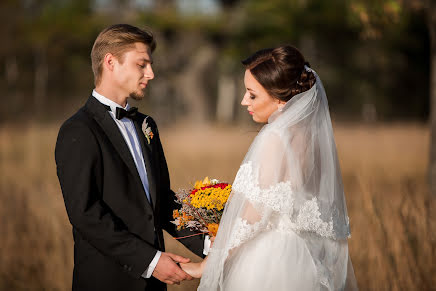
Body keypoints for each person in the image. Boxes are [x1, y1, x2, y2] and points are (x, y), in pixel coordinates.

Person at [181, 45, 358, 290]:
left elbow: (254, 214)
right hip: (306, 260)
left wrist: (209, 263)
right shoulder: (313, 139)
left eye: (252, 95)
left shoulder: (275, 137)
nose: (244, 101)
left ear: (279, 99)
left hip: (271, 260)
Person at [55, 24, 205, 291]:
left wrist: (207, 243)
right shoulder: (78, 130)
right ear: (110, 62)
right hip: (107, 282)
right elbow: (86, 214)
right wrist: (151, 261)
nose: (151, 73)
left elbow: (162, 201)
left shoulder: (147, 125)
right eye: (142, 64)